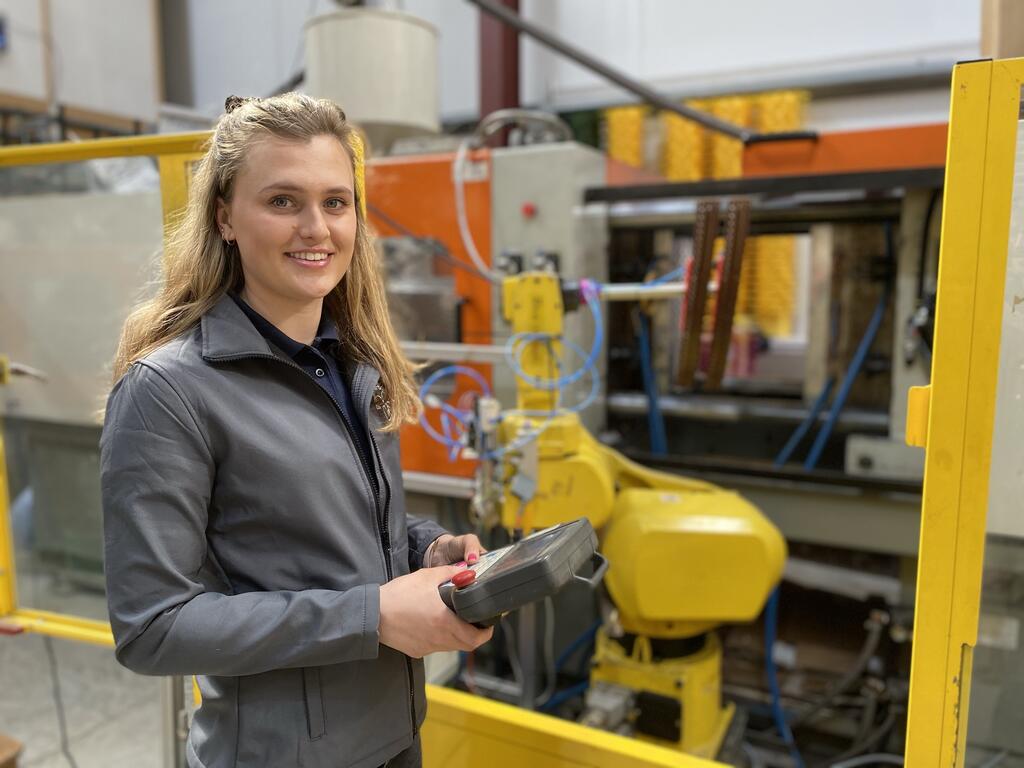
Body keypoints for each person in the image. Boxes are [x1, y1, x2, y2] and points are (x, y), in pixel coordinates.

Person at [100, 93, 492, 768]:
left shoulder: (355, 364)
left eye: (336, 203)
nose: (317, 227)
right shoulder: (169, 393)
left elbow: (341, 539)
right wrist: (372, 615)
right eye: (283, 201)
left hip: (393, 736)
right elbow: (153, 626)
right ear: (225, 216)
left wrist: (428, 551)